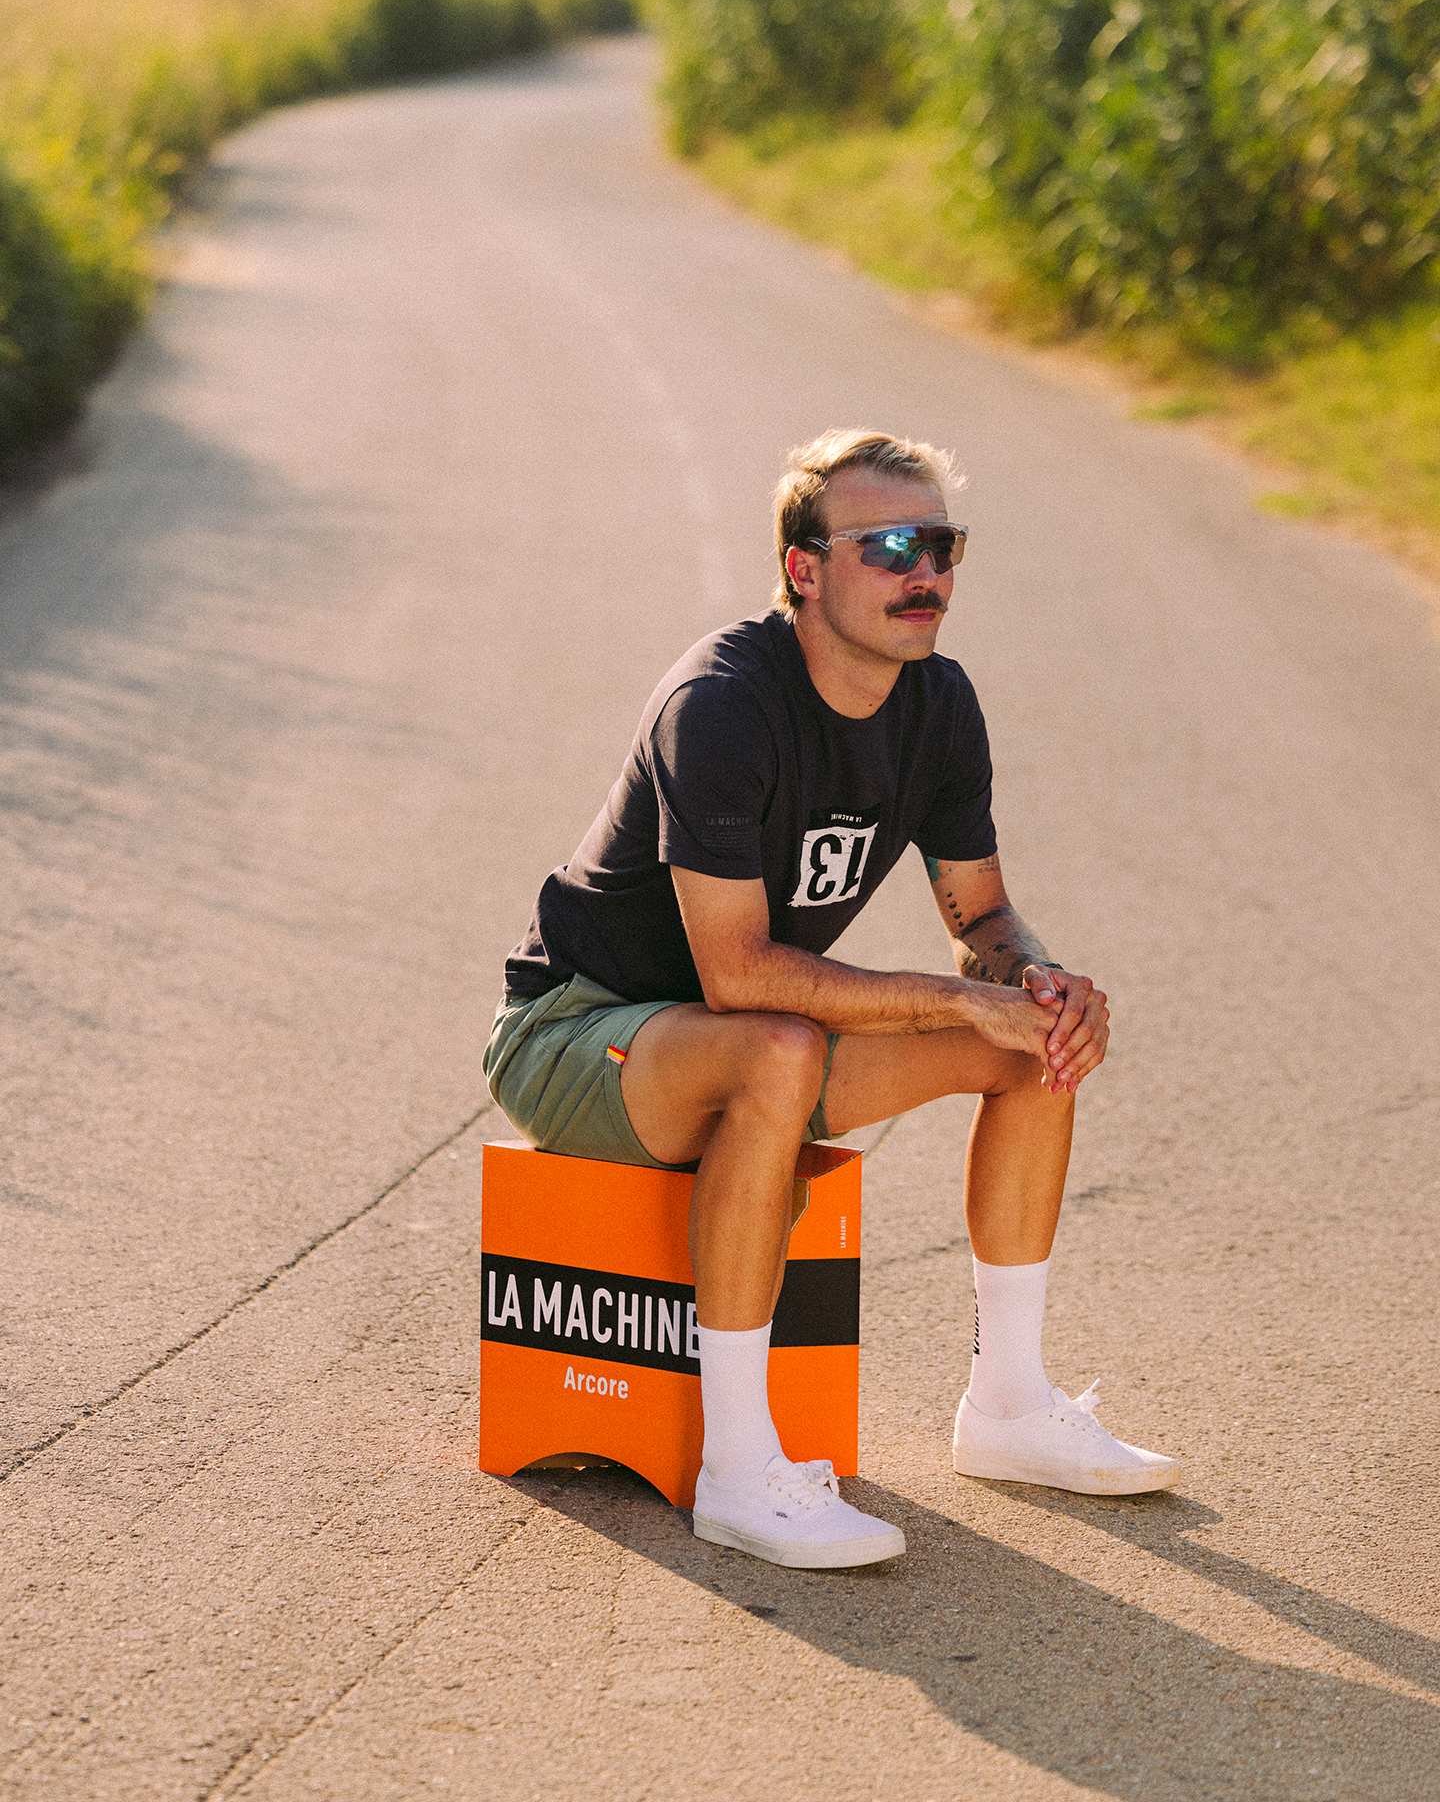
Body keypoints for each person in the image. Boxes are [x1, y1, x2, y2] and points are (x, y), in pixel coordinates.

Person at [486, 429, 1178, 1571]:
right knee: (775, 1047)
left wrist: (1035, 981)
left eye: (943, 546)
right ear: (805, 569)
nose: (927, 576)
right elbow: (740, 974)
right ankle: (739, 1470)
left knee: (1030, 1045)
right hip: (578, 1034)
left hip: (760, 1045)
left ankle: (1007, 1406)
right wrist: (956, 1004)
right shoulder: (721, 700)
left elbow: (982, 920)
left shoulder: (938, 705)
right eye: (890, 547)